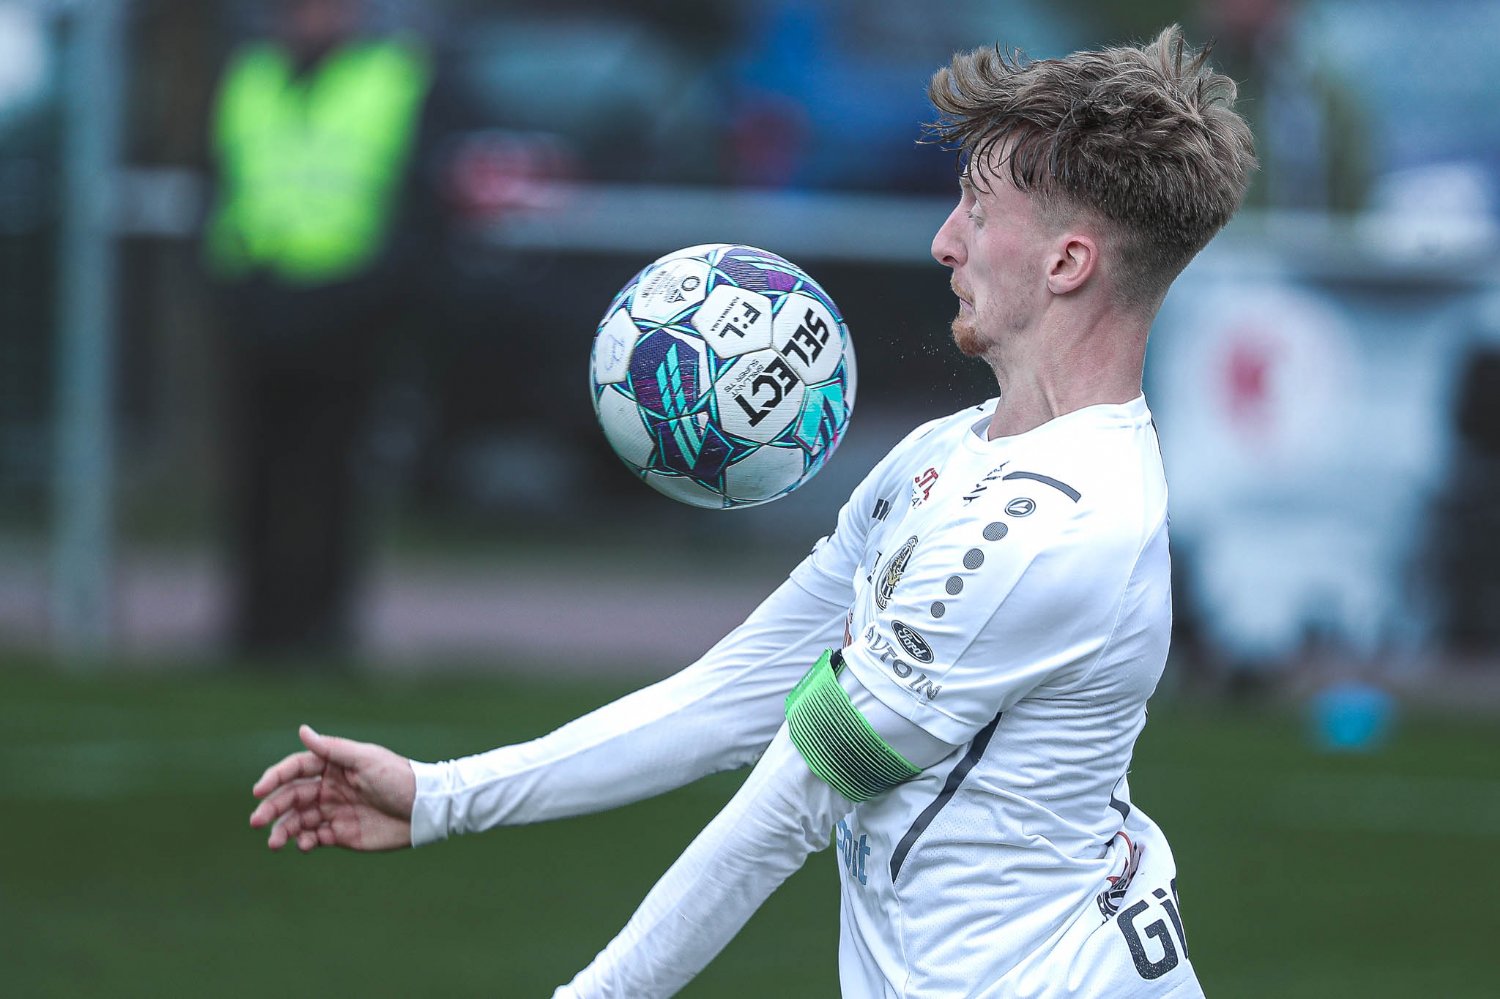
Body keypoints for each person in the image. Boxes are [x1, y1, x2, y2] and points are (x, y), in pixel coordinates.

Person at [249, 25, 1255, 996]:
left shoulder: (1049, 531)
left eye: (978, 210)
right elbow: (742, 690)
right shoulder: (948, 454)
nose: (945, 241)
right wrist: (444, 796)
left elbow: (791, 802)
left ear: (1068, 263)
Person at [204, 0, 436, 658]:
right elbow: (220, 180)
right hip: (259, 302)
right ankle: (254, 628)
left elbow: (417, 199)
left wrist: (381, 291)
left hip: (349, 309)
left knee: (334, 477)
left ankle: (324, 629)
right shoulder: (249, 76)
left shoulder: (393, 77)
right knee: (256, 476)